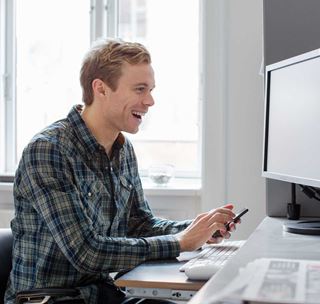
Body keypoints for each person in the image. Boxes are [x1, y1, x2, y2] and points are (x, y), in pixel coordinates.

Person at [5, 39, 238, 304]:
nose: (150, 101)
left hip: (101, 294)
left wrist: (199, 229)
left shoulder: (122, 149)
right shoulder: (49, 150)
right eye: (140, 89)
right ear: (101, 89)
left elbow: (139, 224)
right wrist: (180, 242)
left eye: (150, 90)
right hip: (52, 299)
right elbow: (86, 252)